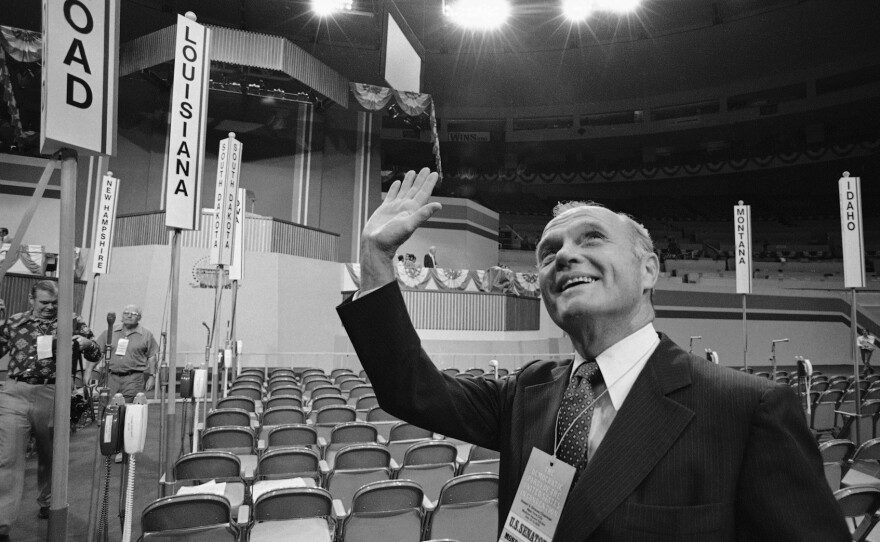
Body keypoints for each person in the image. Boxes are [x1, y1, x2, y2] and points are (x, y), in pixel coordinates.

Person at [337, 168, 848, 541]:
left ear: (649, 270)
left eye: (592, 238)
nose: (563, 255)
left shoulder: (747, 409)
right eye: (548, 250)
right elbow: (410, 388)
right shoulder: (527, 391)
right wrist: (377, 260)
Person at [0, 280, 100, 540]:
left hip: (53, 393)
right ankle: (2, 524)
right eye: (44, 302)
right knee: (7, 458)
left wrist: (87, 343)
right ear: (31, 300)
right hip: (15, 392)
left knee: (50, 455)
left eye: (54, 303)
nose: (49, 307)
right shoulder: (14, 323)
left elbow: (95, 353)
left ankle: (48, 502)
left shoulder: (72, 321)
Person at [89, 304, 158, 401]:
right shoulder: (109, 332)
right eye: (126, 313)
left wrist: (152, 376)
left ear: (139, 318)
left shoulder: (147, 335)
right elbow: (97, 353)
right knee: (108, 409)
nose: (129, 316)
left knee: (127, 409)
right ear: (122, 316)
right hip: (110, 378)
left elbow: (152, 357)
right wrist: (88, 372)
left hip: (133, 379)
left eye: (133, 314)